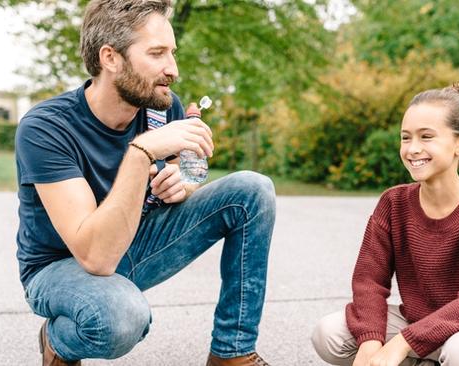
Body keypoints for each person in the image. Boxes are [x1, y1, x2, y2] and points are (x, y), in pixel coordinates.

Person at [14, 1, 275, 365]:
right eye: (157, 53)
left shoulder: (163, 107)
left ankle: (232, 354)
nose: (173, 69)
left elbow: (187, 175)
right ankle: (58, 340)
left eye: (172, 52)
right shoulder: (46, 128)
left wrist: (182, 184)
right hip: (63, 267)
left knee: (253, 190)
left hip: (136, 243)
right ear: (110, 58)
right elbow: (96, 257)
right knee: (120, 318)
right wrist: (140, 155)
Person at [311, 84, 459, 366]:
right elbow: (368, 281)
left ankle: (417, 358)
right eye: (405, 137)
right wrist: (371, 341)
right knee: (329, 334)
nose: (412, 149)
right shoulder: (393, 202)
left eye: (426, 137)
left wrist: (402, 343)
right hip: (414, 320)